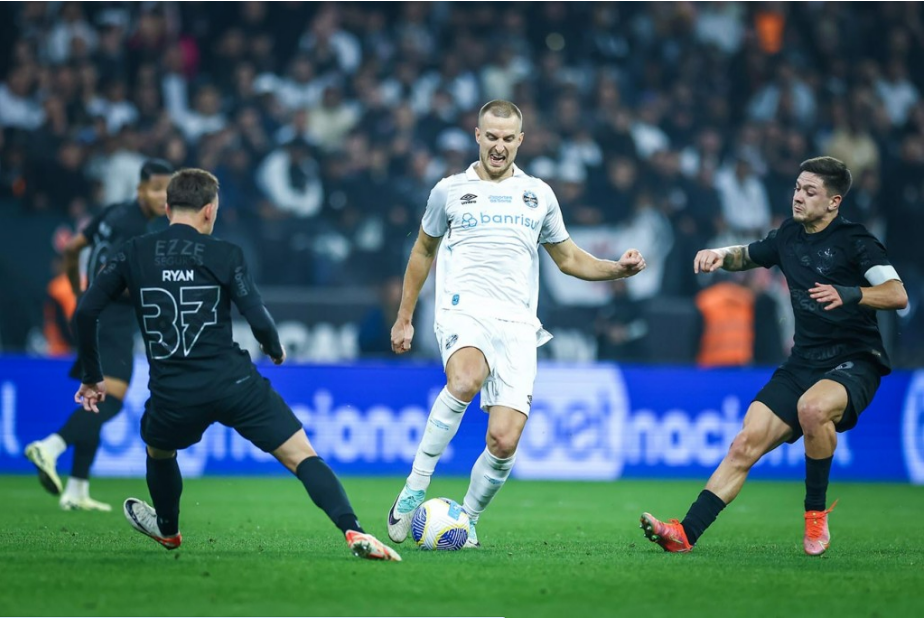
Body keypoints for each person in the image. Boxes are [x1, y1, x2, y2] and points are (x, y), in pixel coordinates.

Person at [71, 168, 400, 562]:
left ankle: (169, 530)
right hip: (233, 382)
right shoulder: (225, 253)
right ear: (209, 211)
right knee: (302, 455)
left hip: (173, 392)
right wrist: (273, 347)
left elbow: (86, 311)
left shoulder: (133, 252)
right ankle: (353, 530)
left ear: (166, 207)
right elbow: (257, 315)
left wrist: (93, 375)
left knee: (159, 452)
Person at [386, 99, 647, 547]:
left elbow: (568, 259)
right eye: (491, 137)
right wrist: (404, 317)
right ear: (477, 136)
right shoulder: (449, 190)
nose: (499, 146)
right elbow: (423, 251)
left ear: (520, 141)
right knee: (465, 379)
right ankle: (414, 487)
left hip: (519, 325)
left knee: (504, 442)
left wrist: (615, 270)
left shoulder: (539, 194)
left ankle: (464, 521)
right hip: (464, 309)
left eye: (508, 139)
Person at [640, 156, 908, 556]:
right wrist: (719, 254)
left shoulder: (856, 242)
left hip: (854, 360)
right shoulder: (788, 237)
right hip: (804, 362)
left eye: (809, 191)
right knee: (744, 444)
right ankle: (684, 533)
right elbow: (747, 254)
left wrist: (850, 293)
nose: (798, 197)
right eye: (797, 188)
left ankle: (815, 515)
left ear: (834, 202)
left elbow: (897, 294)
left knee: (813, 409)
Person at [25, 159, 174, 511]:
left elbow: (74, 247)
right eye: (154, 189)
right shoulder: (136, 227)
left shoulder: (112, 213)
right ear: (139, 188)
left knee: (93, 397)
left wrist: (81, 297)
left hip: (93, 313)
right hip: (113, 320)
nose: (160, 197)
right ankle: (51, 447)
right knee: (112, 398)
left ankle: (76, 488)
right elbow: (112, 273)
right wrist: (147, 291)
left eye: (165, 190)